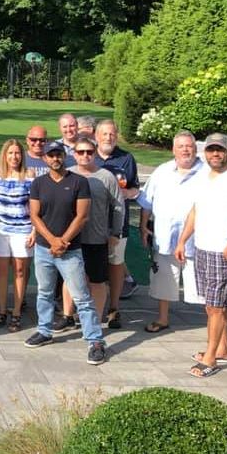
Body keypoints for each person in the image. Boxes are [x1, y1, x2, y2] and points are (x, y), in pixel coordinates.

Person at [175, 133, 227, 378]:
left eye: (219, 150)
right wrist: (182, 240)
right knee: (213, 305)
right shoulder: (203, 177)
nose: (215, 154)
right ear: (205, 152)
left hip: (223, 252)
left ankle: (210, 358)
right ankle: (223, 349)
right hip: (202, 248)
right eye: (211, 149)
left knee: (216, 306)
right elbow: (195, 211)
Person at [25, 141, 108, 365]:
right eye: (51, 155)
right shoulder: (38, 183)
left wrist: (63, 241)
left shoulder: (79, 182)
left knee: (81, 297)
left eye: (58, 154)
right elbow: (34, 215)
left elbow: (82, 216)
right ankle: (44, 330)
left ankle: (95, 341)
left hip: (70, 250)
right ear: (45, 158)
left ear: (64, 156)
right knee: (44, 292)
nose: (55, 159)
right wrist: (52, 240)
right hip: (44, 248)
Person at [138, 130, 205, 333]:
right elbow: (146, 201)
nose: (185, 150)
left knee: (202, 282)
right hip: (165, 236)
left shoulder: (207, 172)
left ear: (195, 149)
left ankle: (214, 321)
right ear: (173, 150)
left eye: (189, 146)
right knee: (164, 279)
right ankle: (163, 318)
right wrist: (143, 226)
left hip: (197, 239)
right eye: (181, 146)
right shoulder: (162, 171)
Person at [60, 134, 123, 326]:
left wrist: (115, 233)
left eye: (89, 152)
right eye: (81, 152)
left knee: (97, 280)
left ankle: (94, 319)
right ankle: (67, 315)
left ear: (95, 153)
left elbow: (118, 206)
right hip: (72, 237)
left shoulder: (106, 177)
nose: (85, 155)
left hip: (96, 237)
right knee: (70, 278)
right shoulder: (67, 174)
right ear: (74, 154)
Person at [0, 139, 35, 333]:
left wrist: (35, 230)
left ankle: (17, 312)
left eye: (17, 153)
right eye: (10, 153)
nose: (14, 157)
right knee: (1, 271)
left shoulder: (29, 175)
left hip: (23, 228)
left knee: (20, 271)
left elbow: (34, 205)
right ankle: (2, 311)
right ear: (4, 155)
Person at [95, 120, 140, 327]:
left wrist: (124, 193)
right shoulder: (88, 155)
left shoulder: (126, 158)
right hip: (92, 224)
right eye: (104, 134)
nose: (108, 137)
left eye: (112, 134)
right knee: (90, 267)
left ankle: (114, 308)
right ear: (97, 136)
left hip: (117, 222)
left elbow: (135, 188)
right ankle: (92, 309)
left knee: (115, 265)